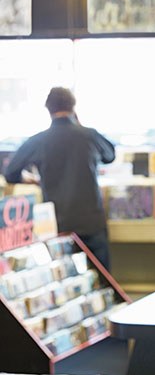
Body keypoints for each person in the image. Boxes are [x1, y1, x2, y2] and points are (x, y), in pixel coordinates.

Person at [5, 87, 116, 269]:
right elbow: (110, 155)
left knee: (65, 279)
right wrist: (78, 124)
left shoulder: (39, 141)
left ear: (48, 109)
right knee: (103, 278)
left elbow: (10, 173)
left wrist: (32, 180)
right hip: (90, 220)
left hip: (58, 222)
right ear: (73, 107)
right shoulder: (88, 135)